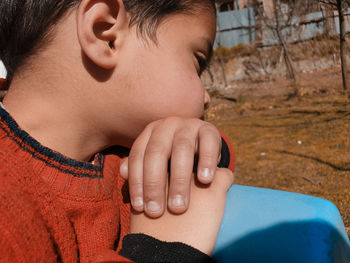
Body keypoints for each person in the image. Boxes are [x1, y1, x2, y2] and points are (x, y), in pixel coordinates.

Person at [0, 0, 235, 262]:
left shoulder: (124, 151)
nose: (206, 98)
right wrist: (161, 252)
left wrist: (194, 143)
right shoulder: (8, 214)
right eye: (198, 61)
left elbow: (218, 157)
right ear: (105, 34)